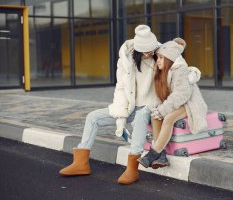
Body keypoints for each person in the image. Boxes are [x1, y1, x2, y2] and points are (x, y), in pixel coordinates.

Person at [59, 24, 160, 185]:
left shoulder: (162, 54)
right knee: (93, 117)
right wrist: (120, 114)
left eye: (151, 49)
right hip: (130, 106)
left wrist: (192, 73)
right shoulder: (126, 60)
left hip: (151, 106)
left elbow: (179, 68)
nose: (149, 53)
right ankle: (81, 163)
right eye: (145, 50)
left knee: (141, 116)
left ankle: (133, 169)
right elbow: (121, 87)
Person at [137, 39, 208, 169]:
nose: (157, 60)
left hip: (190, 104)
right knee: (155, 115)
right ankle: (162, 156)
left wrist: (164, 109)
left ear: (169, 58)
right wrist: (157, 110)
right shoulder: (161, 72)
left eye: (161, 57)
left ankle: (152, 154)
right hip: (175, 104)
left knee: (168, 118)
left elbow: (182, 94)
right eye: (157, 57)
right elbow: (160, 97)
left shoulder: (180, 69)